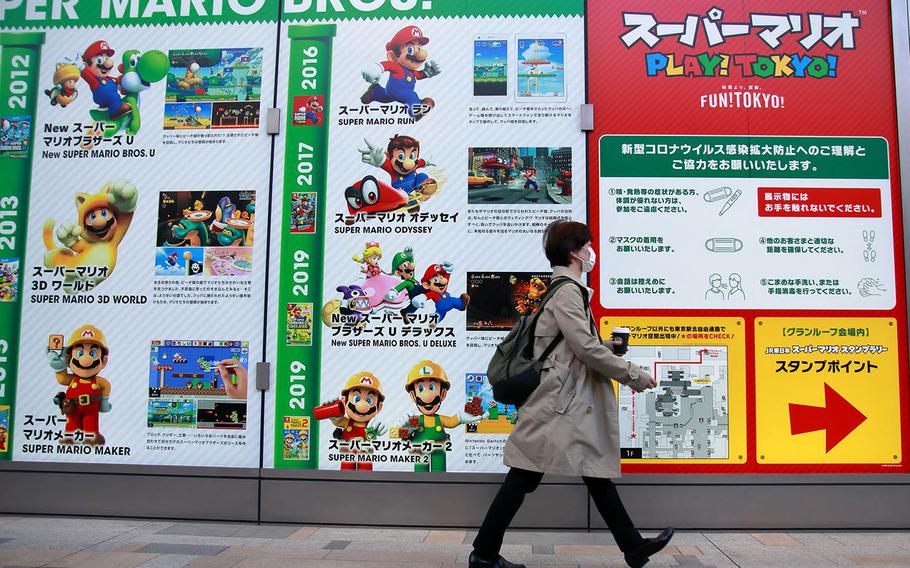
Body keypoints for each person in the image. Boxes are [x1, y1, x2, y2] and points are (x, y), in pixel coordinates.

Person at [470, 220, 674, 568]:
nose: (592, 252)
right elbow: (584, 349)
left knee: (588, 473)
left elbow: (576, 344)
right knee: (525, 476)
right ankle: (484, 553)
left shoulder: (566, 290)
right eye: (588, 246)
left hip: (565, 399)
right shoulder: (566, 291)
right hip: (558, 402)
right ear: (574, 252)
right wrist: (633, 375)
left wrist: (608, 345)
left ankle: (633, 547)